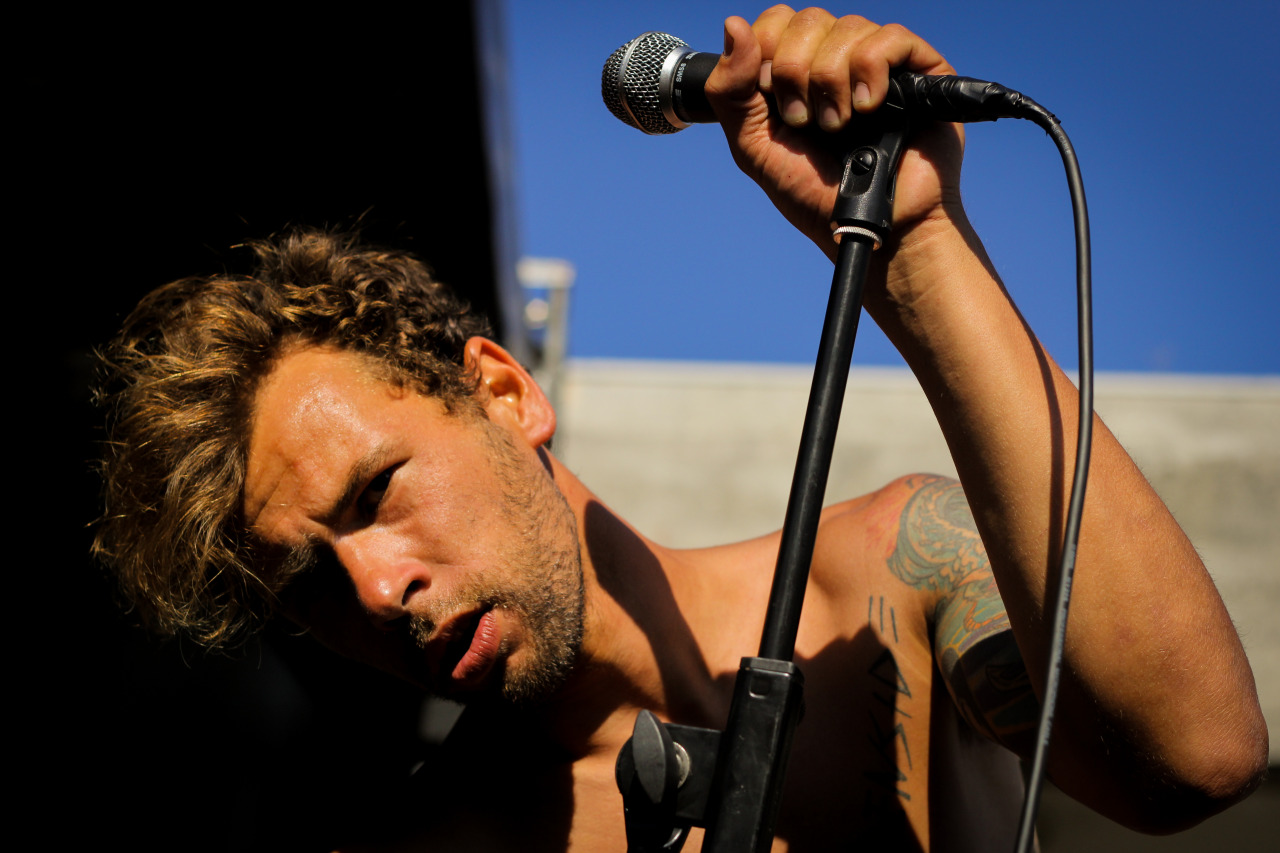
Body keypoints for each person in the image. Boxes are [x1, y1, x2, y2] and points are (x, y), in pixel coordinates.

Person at [93, 7, 1267, 851]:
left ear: (504, 393)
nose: (376, 587)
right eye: (309, 584)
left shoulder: (890, 577)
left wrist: (914, 250)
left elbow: (1195, 757)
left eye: (374, 494)